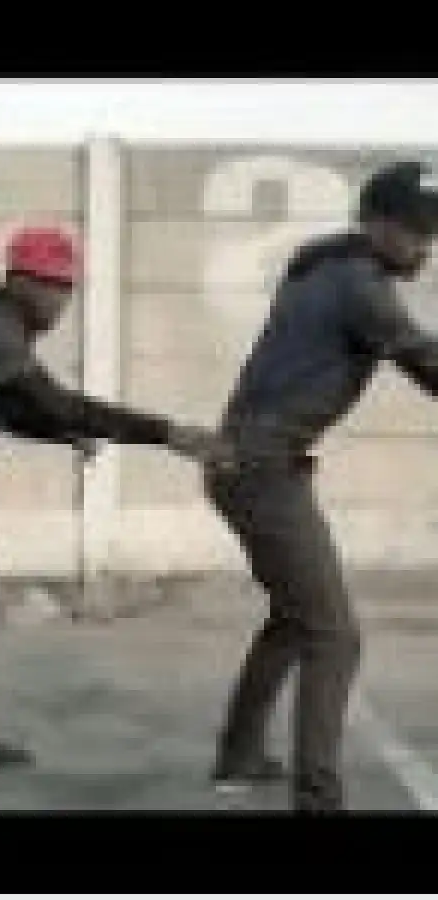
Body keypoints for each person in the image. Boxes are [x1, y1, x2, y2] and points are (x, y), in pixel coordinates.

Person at [0, 224, 234, 814]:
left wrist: (60, 433)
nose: (59, 299)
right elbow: (50, 399)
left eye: (66, 287)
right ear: (16, 280)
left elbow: (14, 411)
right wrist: (166, 433)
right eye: (48, 285)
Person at [204, 161, 438, 814]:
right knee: (335, 635)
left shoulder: (326, 265)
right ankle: (318, 799)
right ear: (374, 224)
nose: (426, 244)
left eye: (433, 231)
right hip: (262, 466)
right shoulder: (358, 284)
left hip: (249, 460)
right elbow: (426, 361)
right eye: (415, 229)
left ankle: (240, 756)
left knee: (295, 617)